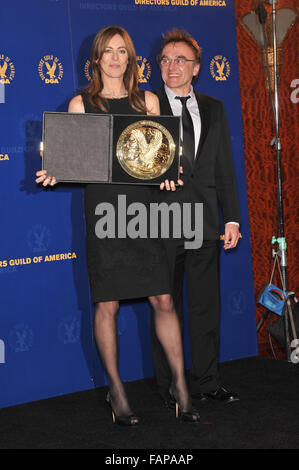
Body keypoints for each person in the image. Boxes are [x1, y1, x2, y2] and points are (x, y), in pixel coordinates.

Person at [36, 25, 200, 425]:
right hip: (105, 214)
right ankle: (117, 390)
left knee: (163, 298)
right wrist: (58, 171)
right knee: (106, 304)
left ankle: (180, 385)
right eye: (107, 51)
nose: (114, 58)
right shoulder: (80, 104)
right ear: (96, 59)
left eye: (121, 51)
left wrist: (167, 174)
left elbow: (161, 159)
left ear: (130, 58)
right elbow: (74, 162)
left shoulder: (147, 101)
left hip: (145, 214)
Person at [150, 29, 241, 407]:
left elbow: (223, 168)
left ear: (197, 67)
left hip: (205, 222)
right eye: (166, 60)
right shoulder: (147, 107)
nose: (172, 66)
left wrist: (232, 218)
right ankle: (171, 386)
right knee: (165, 308)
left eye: (180, 60)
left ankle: (207, 382)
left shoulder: (215, 108)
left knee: (206, 307)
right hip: (160, 222)